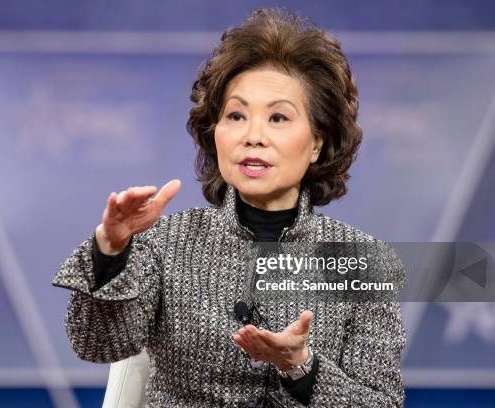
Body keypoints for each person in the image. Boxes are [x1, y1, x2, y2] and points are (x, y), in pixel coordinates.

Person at [53, 7, 406, 407]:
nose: (253, 136)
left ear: (316, 143)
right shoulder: (164, 243)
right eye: (236, 115)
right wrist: (112, 252)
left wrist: (300, 368)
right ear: (214, 131)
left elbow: (382, 403)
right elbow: (97, 345)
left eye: (277, 118)